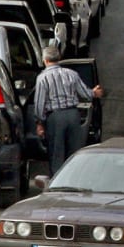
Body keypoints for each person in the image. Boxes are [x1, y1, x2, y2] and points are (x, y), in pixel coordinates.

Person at [32, 45, 102, 176]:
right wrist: (94, 92)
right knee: (73, 151)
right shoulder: (71, 74)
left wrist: (39, 122)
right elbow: (86, 94)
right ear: (59, 58)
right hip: (73, 115)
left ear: (45, 60)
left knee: (56, 152)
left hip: (55, 117)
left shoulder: (43, 78)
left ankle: (58, 182)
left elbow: (39, 103)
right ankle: (73, 179)